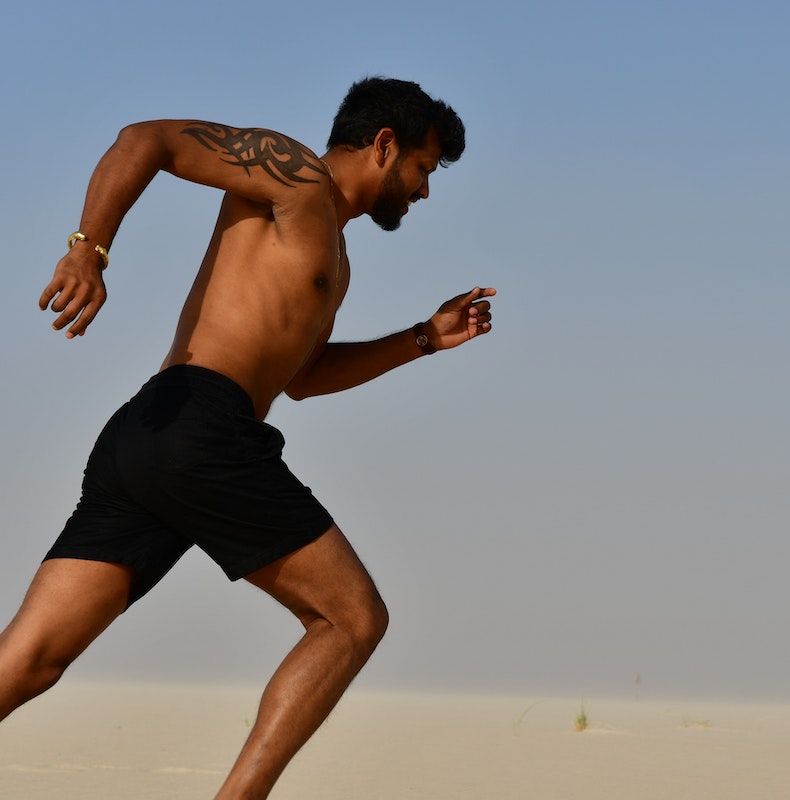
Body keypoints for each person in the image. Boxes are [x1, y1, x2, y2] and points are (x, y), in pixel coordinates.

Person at [0, 76, 494, 799]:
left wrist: (421, 338)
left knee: (31, 659)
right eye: (423, 168)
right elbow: (147, 139)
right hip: (202, 424)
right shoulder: (293, 176)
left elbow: (303, 377)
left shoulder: (337, 257)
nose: (423, 192)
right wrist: (89, 250)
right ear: (385, 146)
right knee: (351, 619)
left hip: (148, 436)